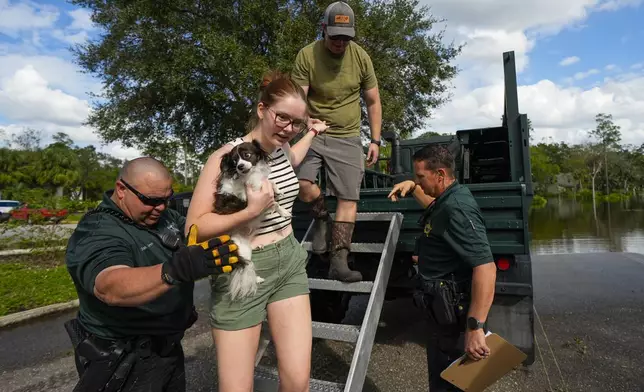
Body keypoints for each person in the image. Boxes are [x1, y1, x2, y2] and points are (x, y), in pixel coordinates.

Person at [185, 71, 328, 392]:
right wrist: (250, 210)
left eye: (296, 123)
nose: (288, 129)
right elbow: (193, 230)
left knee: (297, 382)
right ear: (262, 109)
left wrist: (313, 133)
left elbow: (294, 158)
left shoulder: (281, 150)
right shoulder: (227, 158)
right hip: (242, 266)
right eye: (282, 118)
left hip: (289, 262)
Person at [64, 157, 240, 392]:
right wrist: (175, 270)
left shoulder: (162, 218)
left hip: (167, 351)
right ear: (121, 190)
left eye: (166, 200)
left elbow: (195, 232)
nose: (161, 207)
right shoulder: (99, 231)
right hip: (125, 363)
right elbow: (111, 286)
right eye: (151, 201)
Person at [388, 145, 497, 392]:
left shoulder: (456, 207)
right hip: (440, 311)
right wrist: (414, 187)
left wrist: (475, 327)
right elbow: (433, 209)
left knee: (452, 383)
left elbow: (486, 268)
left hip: (454, 315)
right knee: (443, 378)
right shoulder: (446, 199)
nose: (418, 181)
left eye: (420, 177)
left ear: (440, 174)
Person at [290, 1, 382, 282]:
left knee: (348, 198)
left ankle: (338, 260)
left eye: (346, 37)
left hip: (348, 135)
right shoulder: (307, 56)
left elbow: (373, 100)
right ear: (323, 30)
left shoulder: (361, 57)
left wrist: (375, 140)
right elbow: (298, 99)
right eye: (335, 36)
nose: (340, 42)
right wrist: (309, 125)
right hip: (314, 131)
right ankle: (321, 219)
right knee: (302, 184)